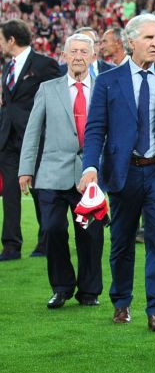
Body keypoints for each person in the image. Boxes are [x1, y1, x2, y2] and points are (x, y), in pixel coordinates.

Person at [79, 13, 155, 331]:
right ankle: (121, 302)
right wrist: (90, 167)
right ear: (131, 42)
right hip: (122, 172)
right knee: (122, 242)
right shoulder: (108, 81)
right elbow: (96, 128)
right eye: (149, 38)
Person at [18, 33, 104, 308]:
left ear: (93, 57)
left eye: (83, 51)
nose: (78, 56)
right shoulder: (47, 88)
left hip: (89, 176)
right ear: (64, 56)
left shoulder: (105, 88)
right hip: (52, 175)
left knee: (90, 234)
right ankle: (62, 287)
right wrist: (25, 169)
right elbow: (32, 132)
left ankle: (89, 291)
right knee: (53, 230)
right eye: (73, 51)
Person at [0, 19, 60, 261]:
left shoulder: (45, 65)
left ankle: (45, 242)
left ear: (11, 40)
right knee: (10, 195)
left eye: (1, 38)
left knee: (40, 192)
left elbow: (56, 101)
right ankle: (11, 246)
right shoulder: (7, 68)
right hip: (8, 140)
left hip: (35, 139)